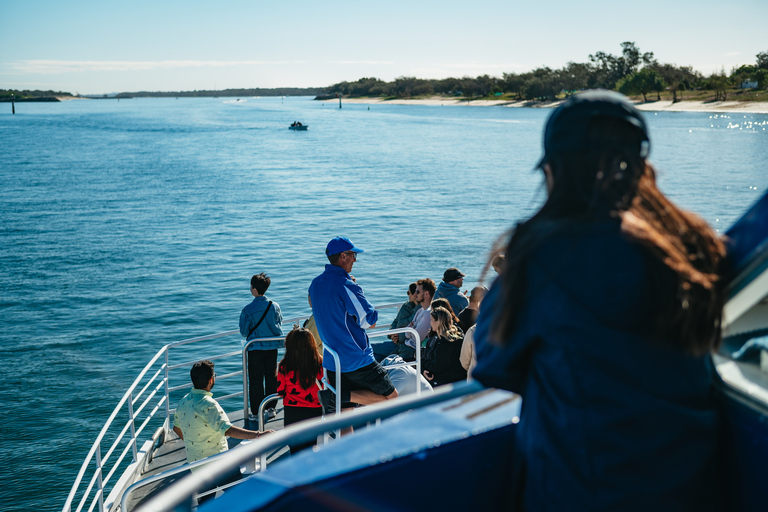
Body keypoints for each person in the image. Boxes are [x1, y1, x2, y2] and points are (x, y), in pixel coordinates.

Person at [472, 90, 725, 511]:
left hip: (585, 492)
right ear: (641, 168)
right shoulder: (690, 248)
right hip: (694, 486)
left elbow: (496, 367)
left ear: (552, 171)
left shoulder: (538, 263)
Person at [308, 236, 398, 414]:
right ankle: (342, 396)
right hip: (356, 358)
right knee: (393, 399)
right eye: (353, 255)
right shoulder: (347, 285)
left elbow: (313, 303)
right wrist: (357, 289)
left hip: (332, 361)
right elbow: (369, 321)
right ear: (343, 256)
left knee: (346, 417)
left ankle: (341, 397)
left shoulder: (315, 284)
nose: (355, 260)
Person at [172, 360, 269, 504]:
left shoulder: (183, 402)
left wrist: (194, 440)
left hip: (196, 465)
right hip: (219, 464)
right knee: (241, 497)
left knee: (205, 503)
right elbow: (228, 430)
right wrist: (258, 435)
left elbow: (176, 428)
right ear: (211, 380)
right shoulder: (210, 405)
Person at [239, 273, 283, 421]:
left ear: (255, 290)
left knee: (256, 380)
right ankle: (271, 408)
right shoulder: (274, 306)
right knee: (271, 377)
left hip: (255, 349)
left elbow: (244, 331)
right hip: (272, 348)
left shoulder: (247, 310)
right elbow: (279, 323)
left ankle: (256, 412)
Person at [277, 327, 323, 454]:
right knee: (312, 444)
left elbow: (280, 390)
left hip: (293, 411)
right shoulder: (320, 363)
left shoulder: (284, 366)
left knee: (295, 446)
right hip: (315, 410)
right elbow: (325, 385)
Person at [372, 282, 419, 361]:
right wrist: (392, 333)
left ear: (414, 294)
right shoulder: (405, 306)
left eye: (409, 293)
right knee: (373, 354)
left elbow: (413, 327)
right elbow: (395, 321)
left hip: (403, 345)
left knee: (370, 348)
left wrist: (399, 336)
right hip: (395, 342)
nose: (408, 295)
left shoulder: (419, 311)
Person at [421, 307, 467, 386]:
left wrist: (423, 366)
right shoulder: (445, 338)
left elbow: (437, 366)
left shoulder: (448, 342)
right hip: (448, 376)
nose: (430, 323)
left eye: (431, 320)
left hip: (450, 380)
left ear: (438, 322)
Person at [402, 278, 436, 359]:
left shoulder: (428, 313)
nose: (414, 295)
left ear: (426, 294)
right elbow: (407, 334)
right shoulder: (420, 310)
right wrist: (413, 329)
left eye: (417, 292)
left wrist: (411, 328)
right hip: (406, 346)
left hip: (412, 351)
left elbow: (418, 337)